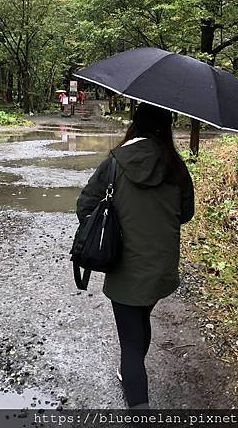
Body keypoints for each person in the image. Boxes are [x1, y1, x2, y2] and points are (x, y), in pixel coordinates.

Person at [76, 102, 194, 409]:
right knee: (141, 318)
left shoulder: (116, 162)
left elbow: (85, 206)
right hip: (160, 265)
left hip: (123, 264)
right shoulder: (177, 168)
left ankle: (138, 407)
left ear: (135, 124)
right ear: (166, 128)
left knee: (129, 340)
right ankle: (132, 371)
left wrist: (109, 226)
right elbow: (185, 213)